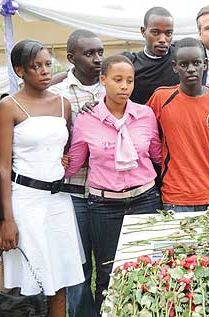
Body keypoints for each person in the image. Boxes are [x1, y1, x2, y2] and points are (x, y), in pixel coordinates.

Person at [64, 55, 162, 314]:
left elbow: (158, 154)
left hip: (145, 199)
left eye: (129, 81)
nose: (124, 86)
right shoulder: (87, 119)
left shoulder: (145, 115)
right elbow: (74, 164)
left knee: (146, 266)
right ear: (103, 80)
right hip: (104, 204)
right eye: (117, 80)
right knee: (107, 270)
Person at [0, 39, 84, 317]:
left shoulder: (63, 104)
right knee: (31, 278)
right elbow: (3, 166)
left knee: (61, 277)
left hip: (58, 200)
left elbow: (62, 147)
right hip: (26, 201)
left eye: (48, 64)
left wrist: (62, 160)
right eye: (37, 66)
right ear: (20, 71)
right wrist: (8, 220)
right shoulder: (8, 107)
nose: (45, 71)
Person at [48, 29, 104, 317]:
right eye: (89, 53)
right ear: (71, 58)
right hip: (74, 191)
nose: (97, 59)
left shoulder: (113, 86)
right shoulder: (56, 94)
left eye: (99, 52)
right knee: (79, 266)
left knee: (109, 263)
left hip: (109, 192)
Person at [147, 37, 209, 212]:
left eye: (196, 63)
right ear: (174, 66)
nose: (191, 69)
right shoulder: (161, 98)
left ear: (205, 64)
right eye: (184, 64)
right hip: (175, 197)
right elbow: (135, 121)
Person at [122, 6, 179, 104]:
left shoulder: (181, 58)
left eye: (168, 33)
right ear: (143, 32)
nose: (162, 39)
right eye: (155, 32)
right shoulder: (131, 64)